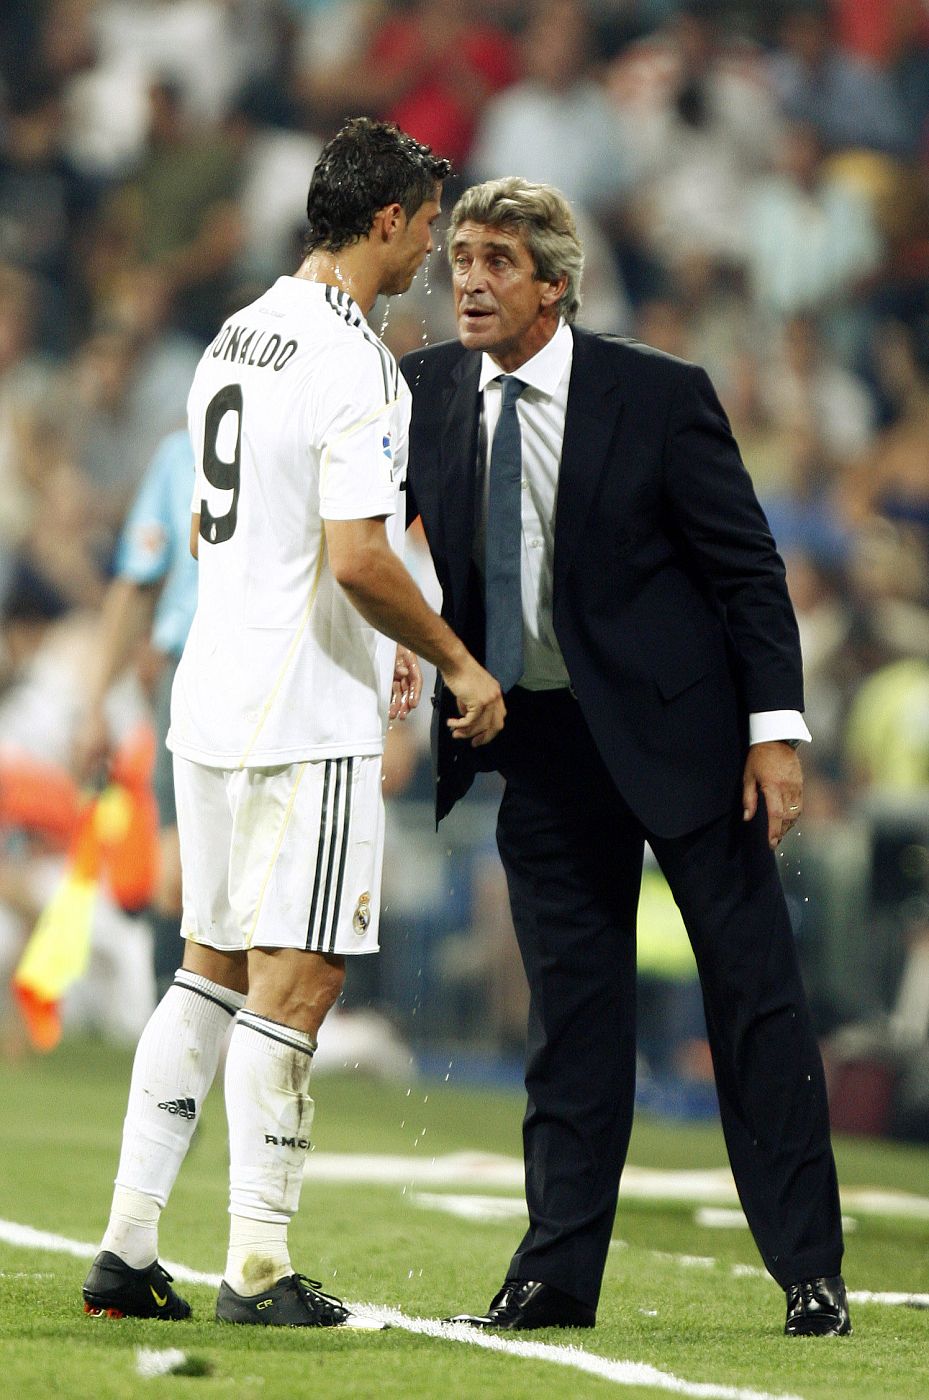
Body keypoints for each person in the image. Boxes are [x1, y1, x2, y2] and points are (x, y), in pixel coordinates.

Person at [400, 176, 850, 1338]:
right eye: (459, 254)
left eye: (497, 259)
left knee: (752, 1001)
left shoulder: (654, 394)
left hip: (687, 741)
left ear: (555, 285)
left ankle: (809, 1270)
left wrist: (774, 736)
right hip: (542, 745)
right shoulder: (425, 389)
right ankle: (555, 1271)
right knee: (571, 1019)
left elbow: (746, 570)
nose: (468, 279)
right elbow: (382, 535)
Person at [81, 117, 504, 1331]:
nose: (433, 246)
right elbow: (363, 558)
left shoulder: (236, 331)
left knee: (206, 967)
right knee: (298, 979)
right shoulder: (354, 361)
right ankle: (258, 1264)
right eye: (427, 223)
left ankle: (125, 1245)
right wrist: (454, 659)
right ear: (384, 221)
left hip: (210, 697)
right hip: (302, 712)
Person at [72, 427, 197, 1000]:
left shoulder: (189, 443)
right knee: (188, 868)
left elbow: (136, 583)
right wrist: (94, 704)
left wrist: (95, 707)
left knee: (183, 868)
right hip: (228, 666)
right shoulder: (309, 427)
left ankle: (176, 1047)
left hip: (193, 662)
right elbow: (135, 584)